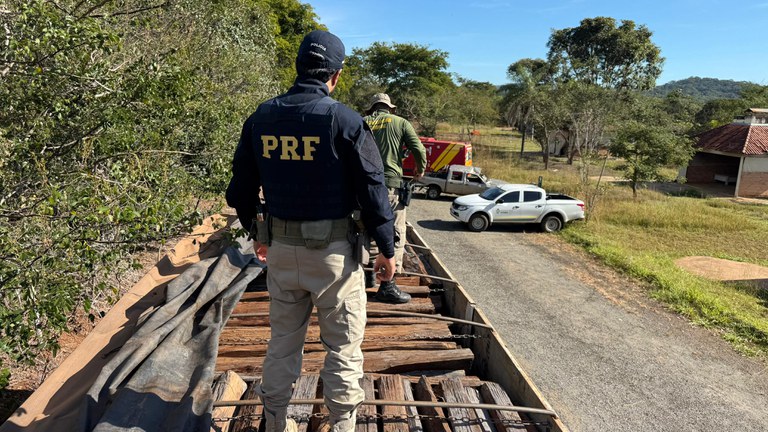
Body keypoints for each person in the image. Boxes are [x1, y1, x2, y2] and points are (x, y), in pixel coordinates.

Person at [225, 30, 396, 432]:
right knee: (343, 349)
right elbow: (374, 191)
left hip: (282, 253)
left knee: (283, 343)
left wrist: (258, 232)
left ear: (299, 67)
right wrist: (387, 249)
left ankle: (275, 422)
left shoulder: (261, 118)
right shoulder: (345, 121)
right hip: (335, 258)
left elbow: (239, 191)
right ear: (336, 74)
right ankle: (342, 425)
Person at [363, 93, 427, 304]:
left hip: (362, 188)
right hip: (390, 187)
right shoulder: (400, 122)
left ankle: (367, 276)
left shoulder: (361, 122)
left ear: (372, 109)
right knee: (394, 233)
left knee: (367, 230)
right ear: (390, 108)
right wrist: (420, 169)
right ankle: (387, 286)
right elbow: (418, 148)